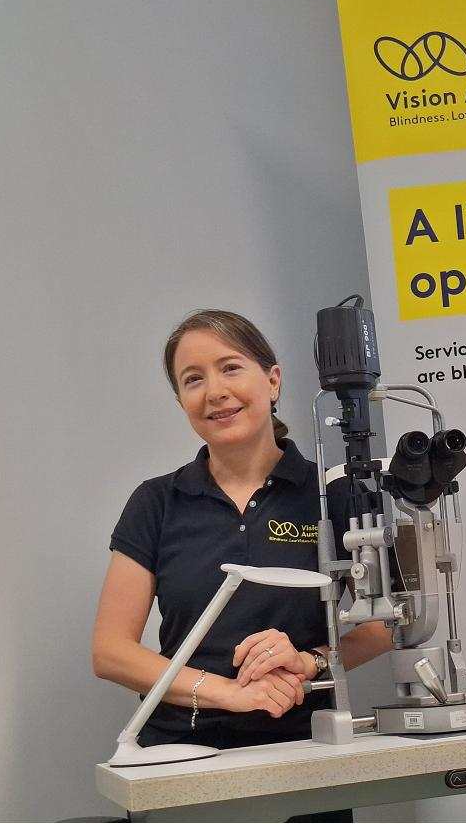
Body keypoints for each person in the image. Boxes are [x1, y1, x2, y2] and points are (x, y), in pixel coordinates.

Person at [90, 310, 392, 822]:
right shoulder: (157, 502)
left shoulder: (333, 495)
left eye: (230, 368)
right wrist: (228, 693)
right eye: (193, 379)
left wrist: (310, 660)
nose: (214, 391)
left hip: (303, 753)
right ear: (182, 401)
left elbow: (386, 626)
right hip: (182, 757)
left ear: (272, 381)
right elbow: (111, 652)